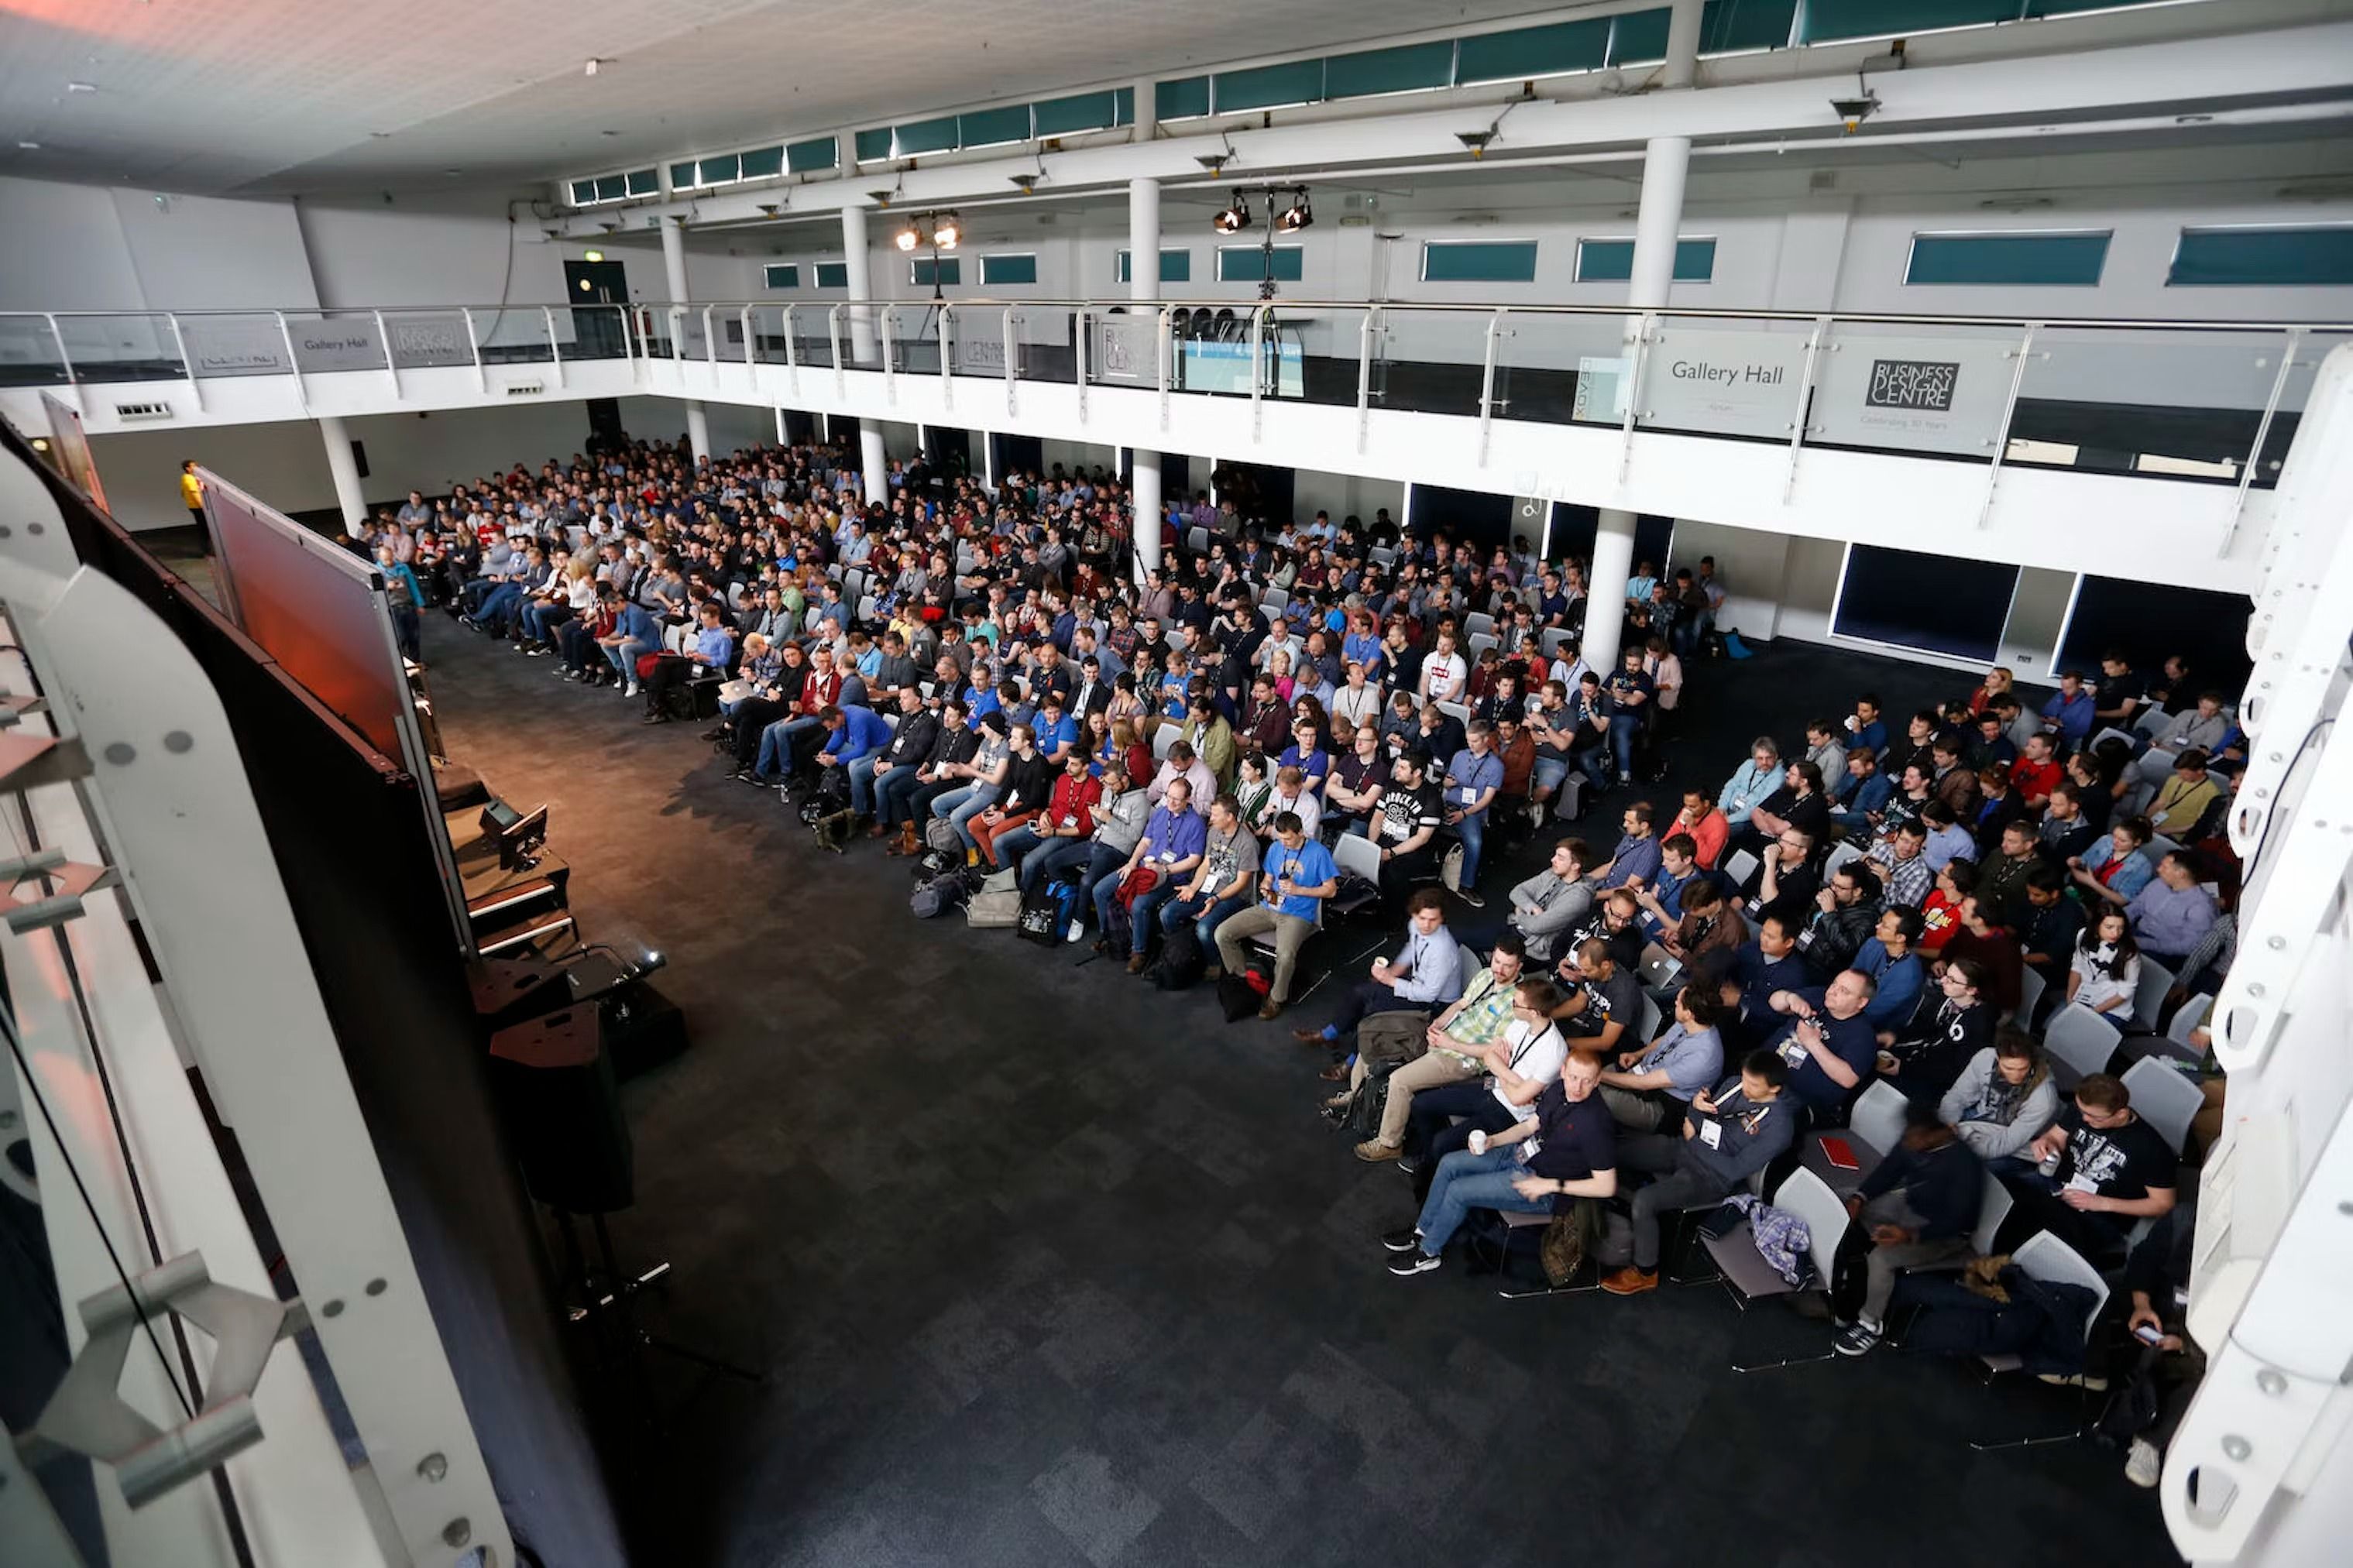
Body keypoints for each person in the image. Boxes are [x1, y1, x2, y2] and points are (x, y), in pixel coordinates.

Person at [1383, 1048, 1617, 1278]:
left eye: (1586, 1081)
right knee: (1449, 1163)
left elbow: (1606, 1186)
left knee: (1458, 1191)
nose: (1577, 1087)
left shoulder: (1595, 1124)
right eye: (1574, 1077)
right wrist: (1494, 1141)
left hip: (1543, 1185)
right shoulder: (1558, 1089)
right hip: (1521, 1154)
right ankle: (1422, 1230)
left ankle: (1428, 1253)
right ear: (1564, 1071)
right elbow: (1529, 1126)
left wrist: (1550, 1186)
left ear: (1597, 1081)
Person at [1601, 1051, 1798, 1295]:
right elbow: (1695, 1115)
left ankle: (1645, 1272)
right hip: (1684, 1148)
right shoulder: (1735, 1085)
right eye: (1744, 1078)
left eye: (1753, 1085)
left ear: (1774, 1089)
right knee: (1611, 1153)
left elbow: (1734, 1169)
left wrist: (1693, 1138)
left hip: (1711, 1177)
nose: (1744, 1086)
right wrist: (1696, 1106)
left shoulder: (1779, 1128)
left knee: (1645, 1201)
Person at [1341, 937, 1526, 1164]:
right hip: (1442, 1037)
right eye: (1497, 961)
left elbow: (1493, 1051)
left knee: (1400, 1080)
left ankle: (1390, 1143)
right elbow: (1460, 1005)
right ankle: (1355, 1095)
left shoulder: (1517, 1001)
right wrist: (1438, 1024)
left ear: (1519, 967)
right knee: (1379, 1040)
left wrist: (1450, 1044)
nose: (1499, 969)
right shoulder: (1486, 975)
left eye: (1507, 966)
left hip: (1460, 1058)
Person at [1831, 1103, 1985, 1357]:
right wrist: (1859, 1197)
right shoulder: (1913, 1139)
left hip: (1944, 1232)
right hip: (1910, 1205)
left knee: (1881, 1258)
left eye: (1915, 1138)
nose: (1908, 1143)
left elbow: (1959, 1220)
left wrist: (1910, 1235)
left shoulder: (1965, 1164)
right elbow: (1889, 1171)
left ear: (1935, 1135)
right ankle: (1846, 1279)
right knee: (1842, 1204)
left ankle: (1870, 1322)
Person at [1398, 976, 1571, 1173]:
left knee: (1442, 1143)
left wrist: (1502, 1070)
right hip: (1493, 1086)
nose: (1511, 1005)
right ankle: (1431, 1159)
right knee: (1421, 1104)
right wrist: (1511, 1076)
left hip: (1511, 1113)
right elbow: (1490, 1055)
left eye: (1516, 1004)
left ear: (1533, 1012)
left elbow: (1517, 1099)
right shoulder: (1520, 1023)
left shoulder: (1553, 1052)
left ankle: (1430, 1170)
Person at [2003, 1072, 2180, 1263]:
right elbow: (2055, 1137)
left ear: (2121, 1114)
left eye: (2094, 1117)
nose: (2085, 1119)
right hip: (2057, 1187)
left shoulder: (2152, 1148)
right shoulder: (2083, 1109)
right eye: (2082, 1112)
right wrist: (2046, 1143)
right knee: (2005, 1193)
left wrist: (2101, 1203)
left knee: (2033, 1227)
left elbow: (2163, 1204)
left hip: (2101, 1216)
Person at [1293, 888, 1462, 1055]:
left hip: (1436, 1005)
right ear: (1414, 915)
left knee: (1374, 1009)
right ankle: (1328, 1035)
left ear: (1442, 919)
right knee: (1360, 991)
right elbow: (1412, 949)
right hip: (1417, 982)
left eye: (1433, 920)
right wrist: (1392, 972)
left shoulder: (1442, 950)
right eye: (1422, 918)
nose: (1426, 925)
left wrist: (1390, 981)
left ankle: (1352, 1061)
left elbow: (1428, 995)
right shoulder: (1415, 926)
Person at [1212, 811, 1338, 1020]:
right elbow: (1269, 876)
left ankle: (1277, 998)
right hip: (1269, 906)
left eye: (1288, 838)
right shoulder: (1276, 847)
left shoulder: (1319, 853)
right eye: (1281, 838)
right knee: (1222, 933)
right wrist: (1266, 885)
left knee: (1286, 955)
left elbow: (1331, 890)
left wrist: (1299, 890)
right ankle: (1243, 978)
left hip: (1298, 914)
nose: (1284, 843)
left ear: (1301, 833)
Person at [1108, 776, 1206, 967]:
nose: (1171, 802)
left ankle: (1139, 951)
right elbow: (1145, 841)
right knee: (1102, 890)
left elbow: (1195, 860)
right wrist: (1132, 862)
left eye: (1177, 799)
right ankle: (1115, 938)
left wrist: (1165, 868)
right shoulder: (1161, 813)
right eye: (1169, 796)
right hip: (1145, 869)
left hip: (1171, 876)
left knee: (1139, 904)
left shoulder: (1195, 823)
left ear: (1188, 799)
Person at [1598, 984, 1723, 1132]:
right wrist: (1638, 1054)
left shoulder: (1703, 1057)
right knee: (1605, 1077)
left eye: (1678, 1001)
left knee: (1604, 1096)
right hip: (1647, 1071)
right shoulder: (1690, 1024)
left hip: (1663, 1104)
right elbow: (1667, 1039)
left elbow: (1644, 1083)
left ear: (1689, 1014)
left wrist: (1596, 1075)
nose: (1675, 1003)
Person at [1758, 969, 1880, 1119]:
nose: (1833, 991)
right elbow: (1774, 1001)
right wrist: (1791, 998)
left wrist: (1812, 1043)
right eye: (1835, 984)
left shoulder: (1863, 1035)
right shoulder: (1819, 996)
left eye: (1844, 991)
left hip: (1795, 1097)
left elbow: (1848, 1078)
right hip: (1764, 1068)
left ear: (1861, 1002)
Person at [1154, 792, 1259, 956]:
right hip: (1207, 887)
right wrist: (1193, 888)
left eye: (1216, 815)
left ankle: (1213, 963)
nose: (1211, 818)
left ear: (1230, 817)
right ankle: (1182, 953)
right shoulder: (1214, 832)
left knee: (1203, 928)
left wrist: (1216, 898)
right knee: (1168, 914)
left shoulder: (1248, 843)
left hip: (1233, 896)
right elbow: (1206, 863)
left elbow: (1241, 883)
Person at [1877, 956, 1994, 1100]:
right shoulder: (1947, 999)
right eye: (1946, 975)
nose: (1943, 980)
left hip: (1936, 1081)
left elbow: (1955, 1070)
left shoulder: (1979, 1024)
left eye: (1952, 980)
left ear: (1971, 990)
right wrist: (1895, 1036)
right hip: (1920, 1058)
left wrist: (1904, 1069)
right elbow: (1924, 1026)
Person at [1939, 1032, 2061, 1161]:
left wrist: (1962, 1153)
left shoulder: (2044, 1099)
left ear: (2032, 1061)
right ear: (1997, 1059)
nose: (2016, 1075)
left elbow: (2007, 1142)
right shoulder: (1984, 1058)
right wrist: (1946, 1126)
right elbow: (1958, 1096)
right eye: (2008, 1068)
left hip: (2016, 1137)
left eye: (2023, 1068)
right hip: (1980, 1117)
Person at [1496, 839, 1592, 966]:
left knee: (1496, 964)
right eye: (1555, 855)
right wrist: (1532, 907)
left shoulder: (1579, 898)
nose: (1553, 860)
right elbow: (1516, 892)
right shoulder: (1552, 873)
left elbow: (1537, 926)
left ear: (1575, 866)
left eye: (1561, 858)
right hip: (1518, 928)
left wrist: (1519, 913)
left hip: (1534, 948)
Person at [1441, 720, 1506, 908]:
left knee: (1475, 842)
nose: (1470, 744)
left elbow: (1486, 799)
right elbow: (1446, 781)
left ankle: (1466, 885)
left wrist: (1465, 814)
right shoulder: (1460, 756)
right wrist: (1447, 783)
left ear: (1486, 740)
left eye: (1475, 741)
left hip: (1471, 811)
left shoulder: (1496, 766)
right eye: (1468, 740)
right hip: (1449, 803)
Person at [2128, 850, 2217, 969]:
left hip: (2163, 953)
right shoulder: (2158, 884)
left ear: (2181, 874)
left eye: (2165, 867)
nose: (2159, 870)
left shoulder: (2201, 907)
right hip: (2134, 933)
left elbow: (2189, 946)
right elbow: (2136, 907)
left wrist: (2143, 943)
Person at [2067, 910, 2143, 1030]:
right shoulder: (2083, 935)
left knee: (2083, 1033)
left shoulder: (2129, 952)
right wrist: (2070, 997)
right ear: (2097, 925)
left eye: (2120, 928)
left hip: (2112, 1009)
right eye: (2109, 927)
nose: (2116, 933)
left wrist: (2092, 1012)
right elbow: (2077, 968)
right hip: (2085, 996)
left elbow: (2125, 992)